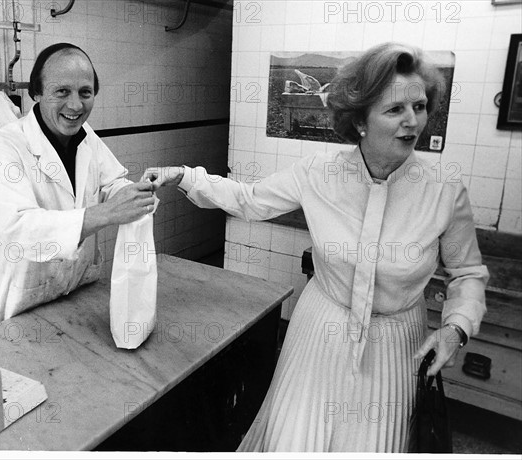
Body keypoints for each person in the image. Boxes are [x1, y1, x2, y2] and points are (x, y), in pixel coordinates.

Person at [143, 42, 489, 452]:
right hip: (318, 332)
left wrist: (455, 329)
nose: (412, 121)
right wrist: (183, 176)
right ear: (360, 120)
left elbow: (467, 273)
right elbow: (249, 200)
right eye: (395, 110)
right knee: (295, 438)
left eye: (419, 106)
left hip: (397, 345)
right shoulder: (318, 174)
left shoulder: (444, 191)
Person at [0, 43, 156, 326]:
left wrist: (141, 192)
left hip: (75, 292)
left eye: (85, 93)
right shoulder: (7, 145)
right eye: (62, 91)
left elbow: (111, 184)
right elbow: (20, 227)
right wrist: (108, 213)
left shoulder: (87, 137)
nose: (75, 105)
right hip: (22, 305)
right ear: (37, 93)